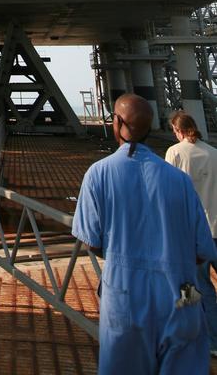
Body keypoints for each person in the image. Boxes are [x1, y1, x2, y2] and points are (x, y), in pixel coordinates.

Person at [72, 93, 214, 374]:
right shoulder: (180, 181)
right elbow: (202, 250)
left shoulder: (98, 174)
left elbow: (90, 241)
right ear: (150, 127)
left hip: (125, 298)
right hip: (182, 296)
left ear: (117, 123)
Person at [166, 111, 217, 356]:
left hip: (193, 232)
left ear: (178, 130)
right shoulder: (214, 153)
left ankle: (207, 339)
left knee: (196, 286)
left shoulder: (175, 153)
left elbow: (167, 193)